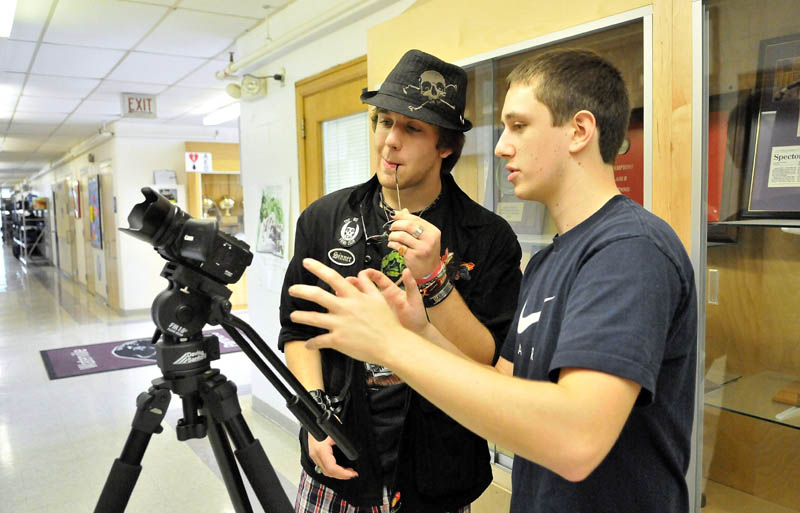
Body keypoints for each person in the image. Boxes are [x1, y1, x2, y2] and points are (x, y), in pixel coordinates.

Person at [287, 48, 698, 512]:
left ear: (579, 131)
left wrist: (391, 344)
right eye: (383, 121)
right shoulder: (549, 261)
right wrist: (419, 329)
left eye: (518, 126)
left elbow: (576, 439)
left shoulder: (629, 250)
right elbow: (497, 379)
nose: (502, 145)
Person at [279, 49, 522, 513]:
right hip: (339, 454)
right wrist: (314, 417)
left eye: (412, 129)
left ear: (445, 146)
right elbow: (299, 331)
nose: (390, 141)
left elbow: (487, 359)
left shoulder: (488, 237)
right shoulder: (324, 219)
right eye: (384, 121)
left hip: (437, 461)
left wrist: (435, 279)